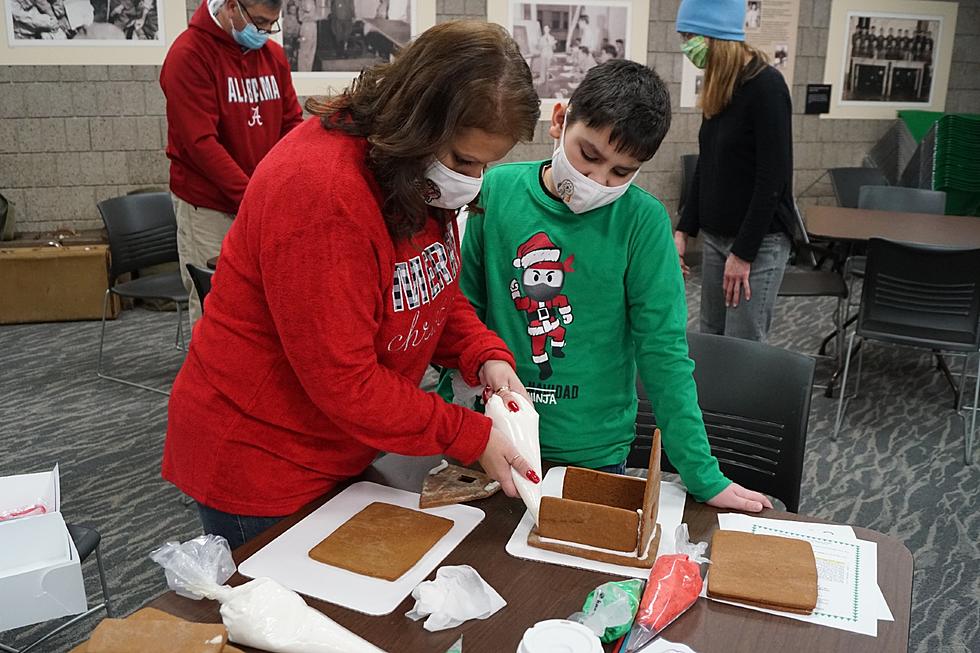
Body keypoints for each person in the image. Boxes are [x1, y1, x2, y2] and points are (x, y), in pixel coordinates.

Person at [162, 21, 543, 549]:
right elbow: (344, 380)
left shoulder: (407, 169)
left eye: (485, 164)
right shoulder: (325, 193)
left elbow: (426, 281)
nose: (472, 178)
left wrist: (481, 353)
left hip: (337, 443)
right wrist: (469, 434)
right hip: (262, 457)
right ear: (419, 121)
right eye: (463, 160)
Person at [439, 59, 773, 514]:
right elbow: (460, 314)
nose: (598, 181)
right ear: (560, 121)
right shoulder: (495, 191)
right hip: (494, 436)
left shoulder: (642, 222)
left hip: (591, 452)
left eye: (621, 172)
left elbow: (664, 354)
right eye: (589, 156)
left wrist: (702, 473)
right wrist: (453, 418)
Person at [160, 0, 303, 326]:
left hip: (262, 203)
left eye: (272, 24)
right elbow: (201, 144)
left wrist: (288, 183)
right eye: (260, 22)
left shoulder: (272, 56)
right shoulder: (189, 55)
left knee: (265, 305)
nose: (265, 32)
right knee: (216, 308)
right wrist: (254, 197)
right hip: (209, 208)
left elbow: (292, 124)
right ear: (230, 6)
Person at [673, 0, 793, 343]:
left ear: (715, 36)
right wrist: (683, 230)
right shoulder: (719, 85)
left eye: (689, 36)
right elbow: (707, 164)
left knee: (743, 342)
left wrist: (743, 254)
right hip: (716, 237)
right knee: (711, 335)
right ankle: (711, 401)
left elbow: (773, 179)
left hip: (759, 242)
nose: (686, 46)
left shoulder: (767, 87)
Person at [297, 0, 317, 71]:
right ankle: (303, 73)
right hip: (307, 26)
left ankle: (307, 72)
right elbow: (308, 9)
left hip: (312, 25)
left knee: (311, 52)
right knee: (305, 52)